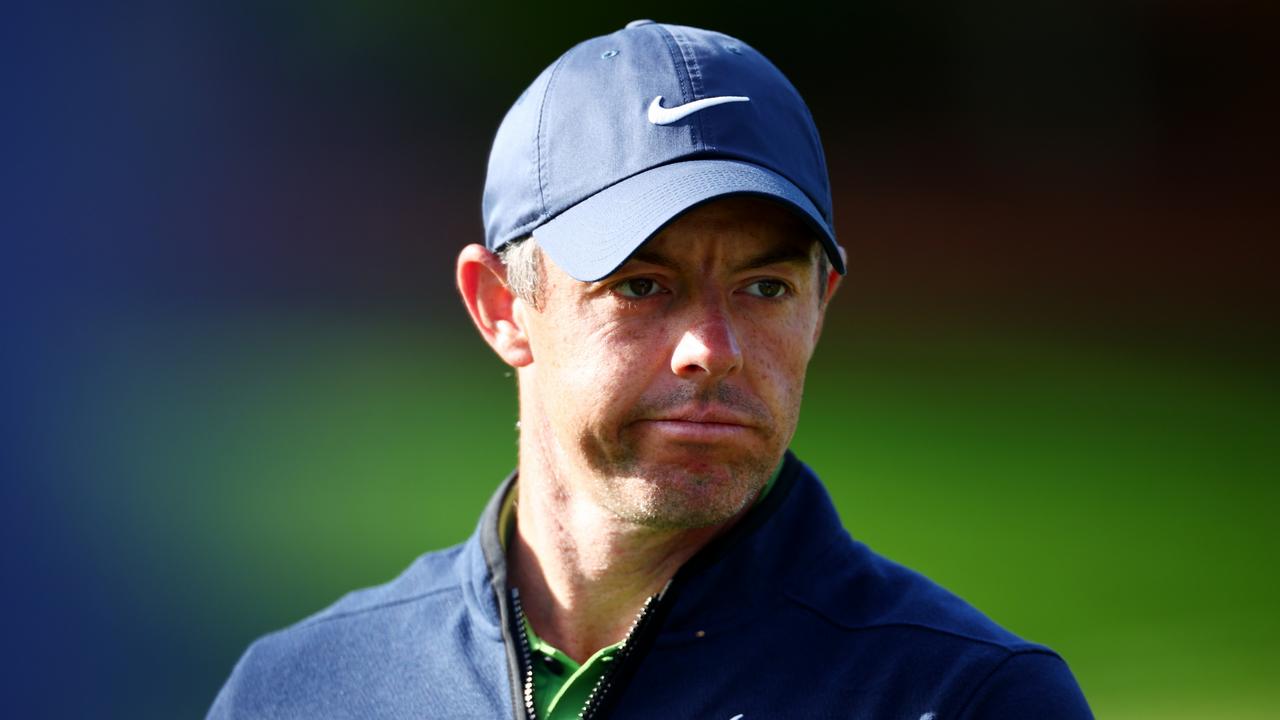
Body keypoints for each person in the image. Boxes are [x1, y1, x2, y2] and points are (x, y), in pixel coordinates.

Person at [208, 20, 1092, 719]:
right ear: (501, 307)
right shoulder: (302, 692)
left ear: (823, 304)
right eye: (641, 283)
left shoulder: (969, 701)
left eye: (764, 286)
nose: (713, 345)